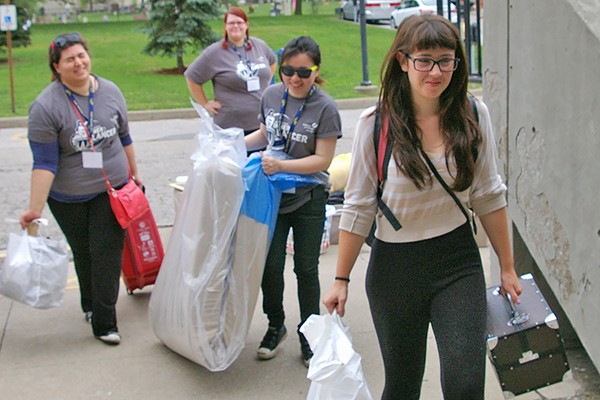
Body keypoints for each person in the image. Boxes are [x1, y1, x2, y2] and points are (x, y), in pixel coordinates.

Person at [323, 15, 523, 399]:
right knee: (402, 386)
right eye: (424, 60)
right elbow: (359, 207)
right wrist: (341, 279)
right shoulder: (376, 124)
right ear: (403, 61)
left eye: (446, 60)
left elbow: (489, 195)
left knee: (465, 384)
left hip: (457, 263)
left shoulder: (473, 114)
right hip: (394, 271)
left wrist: (508, 267)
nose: (436, 71)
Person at [19, 32, 142, 346]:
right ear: (57, 67)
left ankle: (105, 322)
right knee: (84, 252)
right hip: (68, 198)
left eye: (81, 55)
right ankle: (90, 304)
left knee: (105, 253)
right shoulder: (45, 107)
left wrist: (134, 175)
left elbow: (124, 137)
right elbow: (44, 163)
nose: (78, 63)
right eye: (69, 59)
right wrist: (34, 209)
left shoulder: (111, 91)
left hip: (111, 190)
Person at [245, 36, 342, 367]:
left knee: (306, 268)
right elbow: (263, 134)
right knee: (269, 267)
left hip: (308, 199)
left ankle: (309, 334)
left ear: (316, 71)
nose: (295, 78)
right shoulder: (272, 94)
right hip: (271, 196)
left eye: (304, 72)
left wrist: (282, 165)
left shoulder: (325, 108)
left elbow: (323, 160)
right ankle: (276, 325)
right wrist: (228, 145)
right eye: (288, 70)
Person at [185, 6, 277, 138]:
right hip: (230, 128)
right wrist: (205, 103)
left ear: (246, 25)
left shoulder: (259, 46)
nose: (236, 26)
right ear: (225, 26)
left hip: (261, 125)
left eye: (239, 22)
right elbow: (192, 77)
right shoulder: (214, 52)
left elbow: (272, 63)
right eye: (231, 23)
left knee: (260, 159)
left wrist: (266, 84)